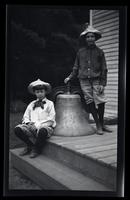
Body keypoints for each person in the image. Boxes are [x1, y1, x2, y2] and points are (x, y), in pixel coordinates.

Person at [64, 25, 112, 135]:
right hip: (84, 81)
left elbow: (104, 68)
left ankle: (102, 123)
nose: (90, 38)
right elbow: (76, 67)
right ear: (85, 39)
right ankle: (98, 125)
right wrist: (70, 77)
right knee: (89, 100)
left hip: (96, 80)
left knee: (101, 100)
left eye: (92, 36)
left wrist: (102, 83)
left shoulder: (100, 52)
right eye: (88, 37)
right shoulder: (80, 52)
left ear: (95, 38)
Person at [14, 79, 56, 158]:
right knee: (17, 129)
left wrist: (37, 125)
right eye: (37, 92)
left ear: (45, 92)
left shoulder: (50, 104)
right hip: (31, 127)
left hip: (44, 126)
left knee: (43, 131)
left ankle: (37, 149)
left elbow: (51, 118)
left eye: (41, 91)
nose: (39, 94)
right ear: (35, 93)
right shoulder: (31, 104)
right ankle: (30, 145)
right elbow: (26, 116)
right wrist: (28, 123)